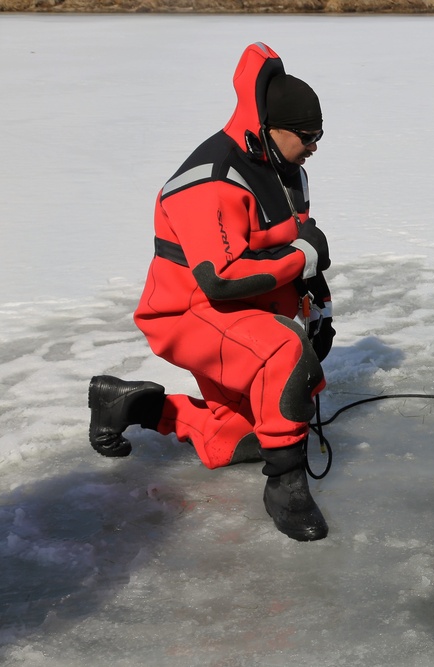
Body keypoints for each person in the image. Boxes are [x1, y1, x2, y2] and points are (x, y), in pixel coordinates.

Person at [87, 42, 335, 542]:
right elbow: (220, 277)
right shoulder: (210, 181)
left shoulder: (288, 171)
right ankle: (286, 489)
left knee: (236, 440)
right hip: (189, 313)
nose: (314, 146)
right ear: (272, 128)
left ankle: (128, 405)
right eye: (307, 136)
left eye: (320, 136)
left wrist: (317, 309)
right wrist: (304, 261)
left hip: (240, 311)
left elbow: (293, 245)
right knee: (286, 356)